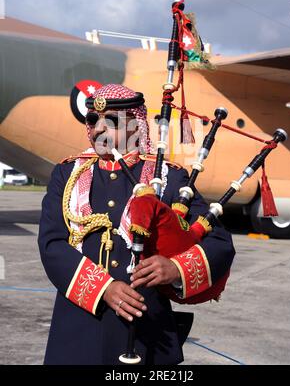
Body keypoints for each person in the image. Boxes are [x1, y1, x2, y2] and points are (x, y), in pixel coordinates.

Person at [38, 83, 235, 365]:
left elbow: (218, 243)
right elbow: (52, 244)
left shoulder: (168, 178)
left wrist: (175, 268)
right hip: (77, 331)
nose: (98, 129)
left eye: (113, 122)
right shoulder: (67, 173)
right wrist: (103, 288)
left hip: (147, 334)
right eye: (93, 120)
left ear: (136, 126)